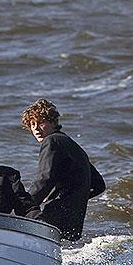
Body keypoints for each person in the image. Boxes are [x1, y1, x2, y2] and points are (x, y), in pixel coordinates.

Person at [21, 98, 106, 239]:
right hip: (72, 222)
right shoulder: (71, 144)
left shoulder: (51, 141)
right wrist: (75, 200)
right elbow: (99, 185)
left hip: (52, 216)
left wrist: (25, 206)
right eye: (32, 124)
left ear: (53, 122)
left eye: (41, 122)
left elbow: (44, 180)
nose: (35, 128)